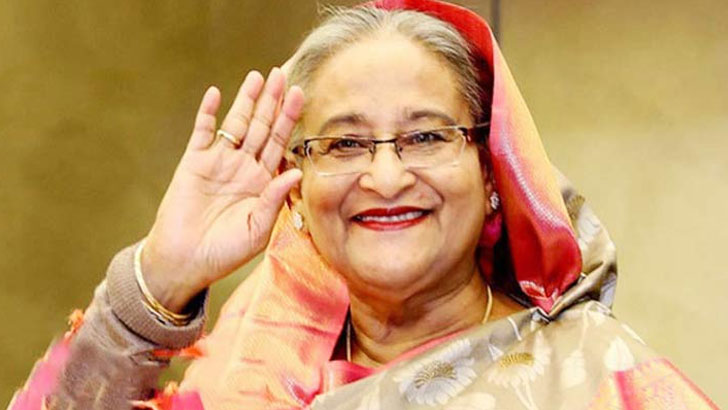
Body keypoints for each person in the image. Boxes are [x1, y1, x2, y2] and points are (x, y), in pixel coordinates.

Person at [9, 0, 717, 409]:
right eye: (344, 144)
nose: (384, 176)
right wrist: (159, 280)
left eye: (426, 136)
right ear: (298, 187)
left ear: (491, 172)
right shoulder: (250, 372)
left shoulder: (594, 378)